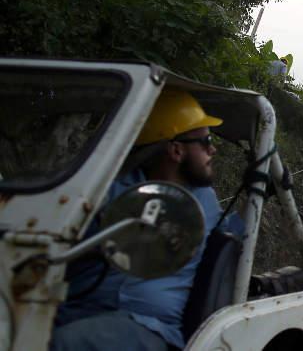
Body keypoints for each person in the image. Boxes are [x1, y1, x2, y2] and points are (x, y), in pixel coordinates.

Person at [51, 88, 244, 351]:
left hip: (149, 324)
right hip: (81, 310)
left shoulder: (205, 202)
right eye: (205, 140)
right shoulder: (110, 191)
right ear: (176, 150)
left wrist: (259, 190)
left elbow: (236, 242)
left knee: (60, 344)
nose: (213, 149)